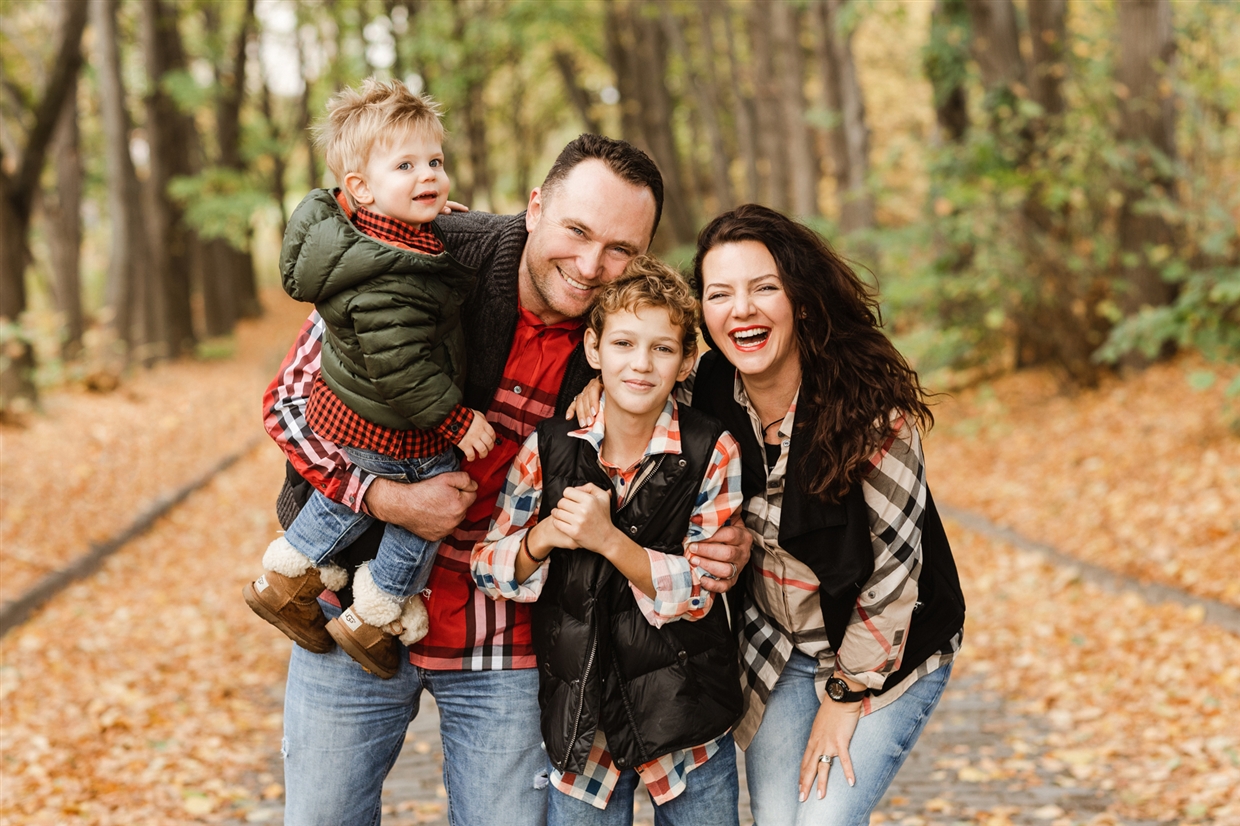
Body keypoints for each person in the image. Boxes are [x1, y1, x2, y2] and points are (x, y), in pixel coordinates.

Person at [263, 134, 751, 826]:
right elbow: (288, 402)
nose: (590, 266)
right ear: (535, 207)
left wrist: (731, 539)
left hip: (505, 639)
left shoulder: (622, 339)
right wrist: (388, 499)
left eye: (620, 249)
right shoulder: (424, 253)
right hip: (357, 605)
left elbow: (695, 440)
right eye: (576, 231)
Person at [691, 204, 966, 825]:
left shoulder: (869, 408)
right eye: (720, 293)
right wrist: (597, 389)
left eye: (765, 288)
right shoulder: (704, 389)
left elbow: (896, 571)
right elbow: (636, 366)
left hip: (890, 643)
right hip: (779, 644)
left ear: (801, 300)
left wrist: (845, 696)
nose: (742, 310)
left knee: (823, 820)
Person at [473, 259, 744, 826]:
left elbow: (700, 591)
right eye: (623, 343)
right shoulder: (548, 449)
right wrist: (544, 536)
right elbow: (487, 566)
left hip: (686, 717)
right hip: (583, 725)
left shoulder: (712, 450)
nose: (640, 364)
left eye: (662, 349)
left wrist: (608, 539)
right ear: (594, 350)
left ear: (686, 361)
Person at [245, 78, 497, 680]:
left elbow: (392, 242)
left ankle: (287, 576)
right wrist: (456, 420)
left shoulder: (364, 238)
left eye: (434, 162)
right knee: (441, 493)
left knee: (344, 501)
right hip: (392, 425)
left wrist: (416, 214)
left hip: (351, 415)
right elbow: (400, 367)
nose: (427, 175)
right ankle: (378, 608)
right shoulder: (393, 280)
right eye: (405, 166)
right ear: (361, 188)